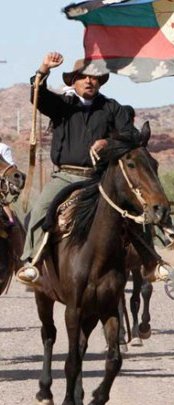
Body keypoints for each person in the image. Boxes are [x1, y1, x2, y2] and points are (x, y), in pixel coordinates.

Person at [16, 51, 136, 284]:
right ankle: (32, 261)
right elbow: (38, 96)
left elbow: (131, 134)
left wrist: (108, 142)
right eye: (83, 77)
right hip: (65, 176)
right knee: (40, 210)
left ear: (99, 82)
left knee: (136, 208)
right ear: (74, 81)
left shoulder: (112, 107)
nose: (89, 81)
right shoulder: (62, 105)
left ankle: (152, 262)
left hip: (99, 178)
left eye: (94, 77)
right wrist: (43, 69)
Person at [0, 137, 17, 226]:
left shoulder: (2, 147)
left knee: (2, 200)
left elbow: (11, 167)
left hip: (1, 182)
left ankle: (10, 220)